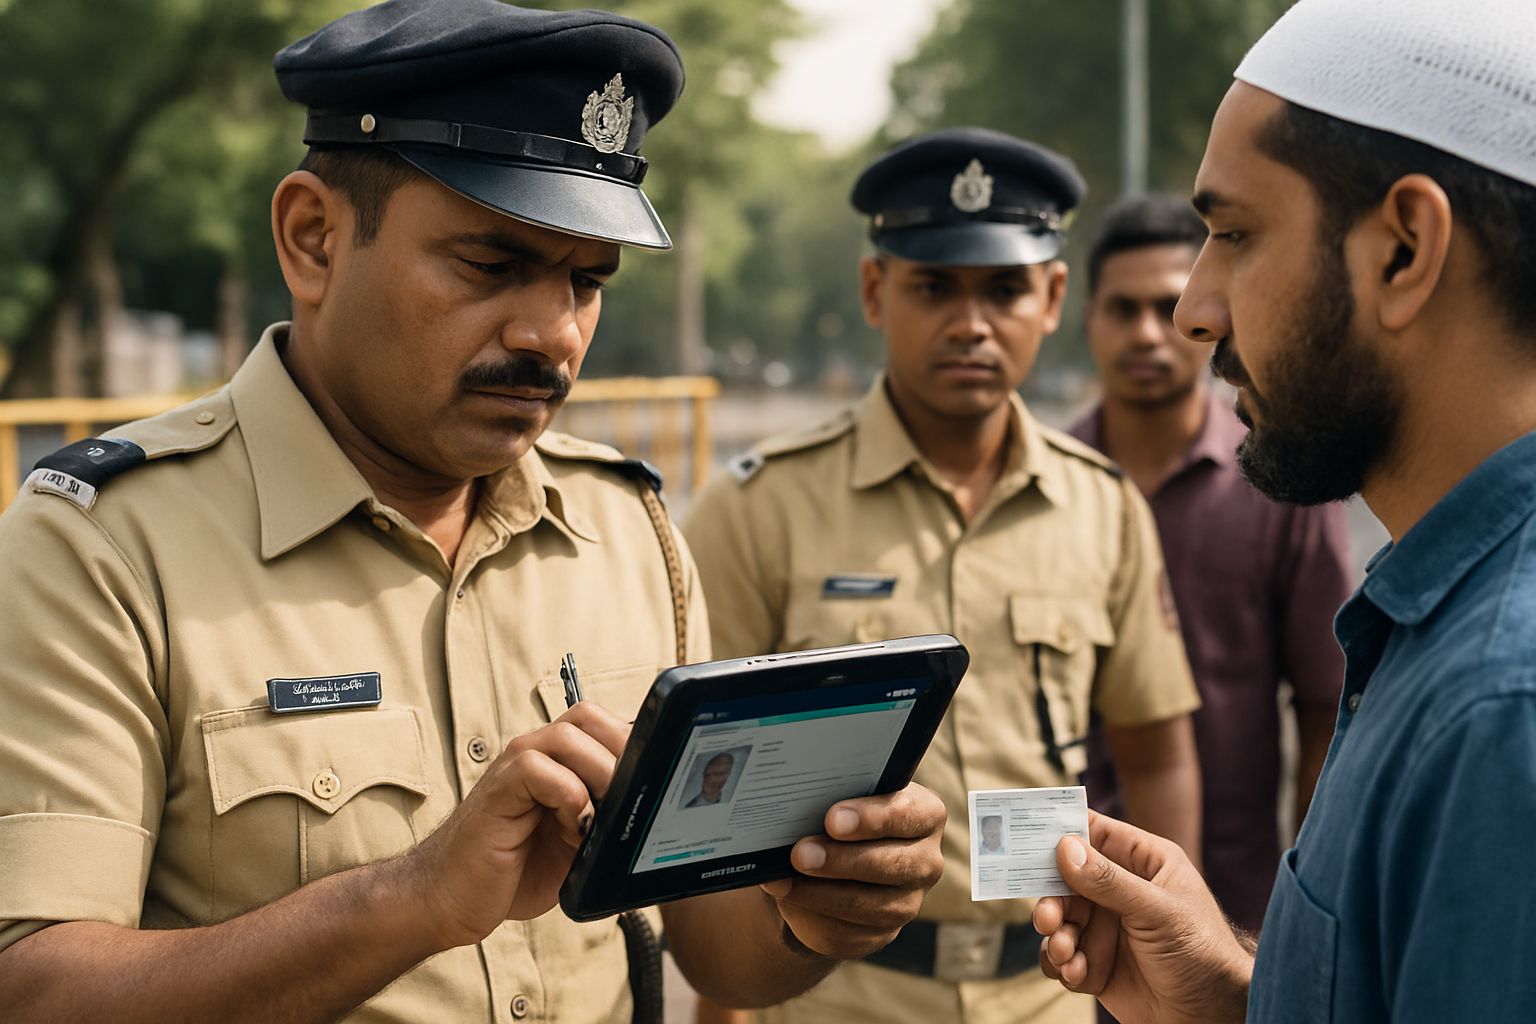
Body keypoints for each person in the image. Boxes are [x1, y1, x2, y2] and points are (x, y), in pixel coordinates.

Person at [0, 3, 950, 1021]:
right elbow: (36, 988)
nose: (553, 331)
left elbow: (715, 951)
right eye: (491, 266)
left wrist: (824, 910)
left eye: (589, 280)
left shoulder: (626, 531)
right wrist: (411, 898)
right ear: (313, 238)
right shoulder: (104, 546)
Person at [1033, 1, 1536, 1020]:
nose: (1193, 307)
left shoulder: (1501, 708)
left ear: (1403, 250)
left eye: (1233, 232)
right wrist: (1225, 993)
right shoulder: (1441, 624)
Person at [683, 127, 1203, 1024]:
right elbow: (706, 797)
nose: (971, 324)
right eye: (934, 287)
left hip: (1050, 991)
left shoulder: (1104, 507)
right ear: (876, 290)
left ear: (1051, 297)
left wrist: (1160, 973)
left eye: (1004, 289)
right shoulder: (760, 506)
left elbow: (1157, 754)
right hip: (836, 996)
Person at [1070, 196, 1352, 934]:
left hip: (1234, 906)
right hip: (1060, 904)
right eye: (1120, 309)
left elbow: (1324, 706)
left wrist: (1305, 907)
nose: (1144, 334)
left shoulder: (1277, 485)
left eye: (1166, 306)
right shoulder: (1047, 491)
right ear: (1086, 318)